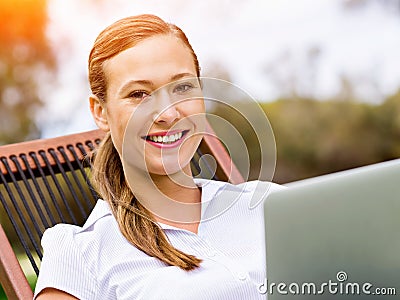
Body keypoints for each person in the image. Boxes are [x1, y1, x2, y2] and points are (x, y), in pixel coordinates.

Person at [34, 14, 282, 299]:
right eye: (139, 94)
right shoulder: (81, 252)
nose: (168, 114)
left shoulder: (268, 204)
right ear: (100, 112)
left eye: (182, 87)